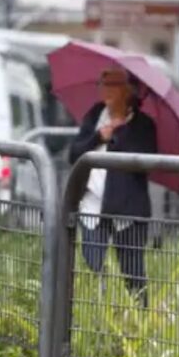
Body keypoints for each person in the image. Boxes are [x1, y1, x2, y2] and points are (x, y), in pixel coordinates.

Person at [69, 67, 158, 304]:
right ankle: (97, 320)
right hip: (92, 205)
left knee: (133, 273)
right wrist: (98, 137)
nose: (106, 90)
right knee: (93, 268)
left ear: (128, 90)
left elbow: (144, 161)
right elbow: (74, 153)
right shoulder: (95, 115)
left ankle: (139, 320)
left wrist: (118, 136)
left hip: (127, 209)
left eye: (113, 84)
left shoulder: (143, 124)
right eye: (103, 84)